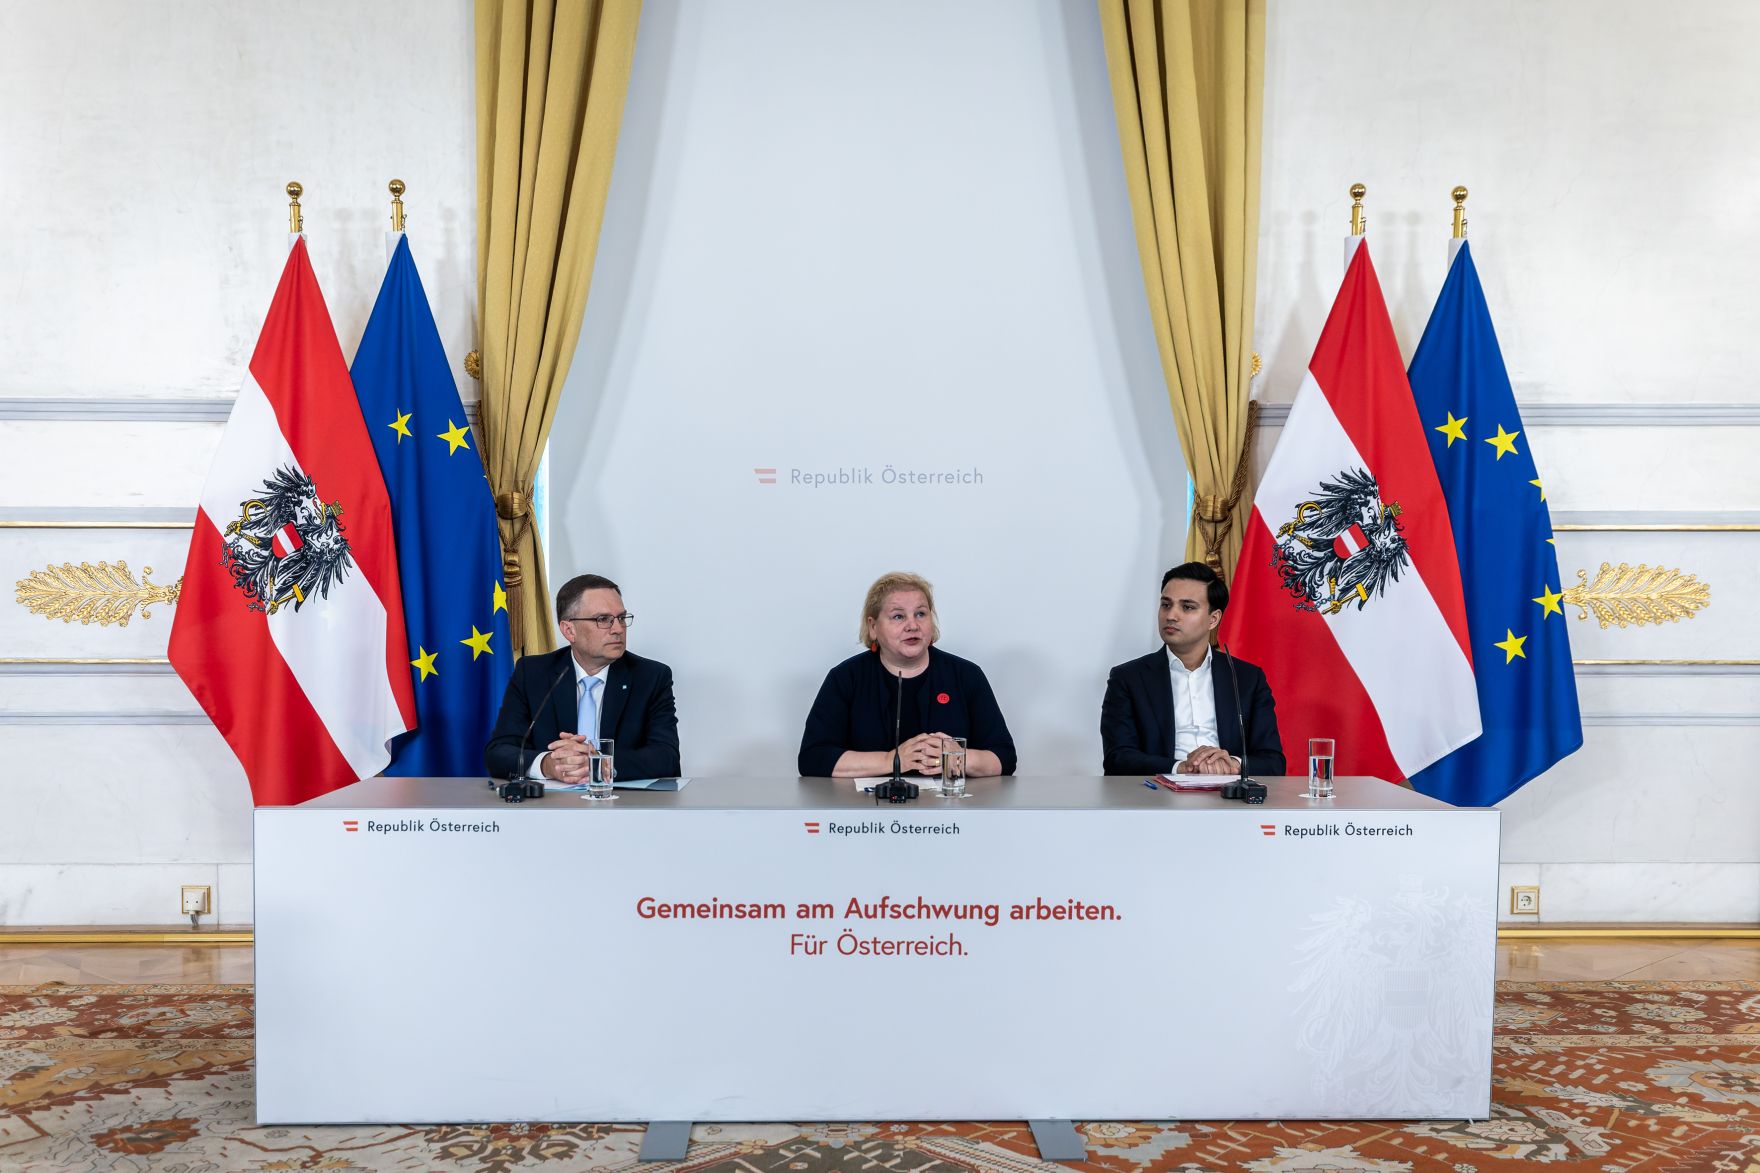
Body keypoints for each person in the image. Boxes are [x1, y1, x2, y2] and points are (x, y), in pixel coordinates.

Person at [799, 572, 1016, 778]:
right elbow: (813, 758)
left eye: (921, 614)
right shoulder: (845, 678)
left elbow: (1004, 757)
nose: (912, 625)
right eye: (898, 616)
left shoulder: (967, 675)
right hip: (866, 812)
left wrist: (959, 757)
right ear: (873, 627)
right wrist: (891, 760)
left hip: (949, 810)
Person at [484, 573, 681, 782]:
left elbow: (667, 758)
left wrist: (600, 762)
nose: (618, 629)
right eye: (603, 619)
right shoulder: (532, 673)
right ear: (569, 630)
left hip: (623, 807)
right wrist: (547, 764)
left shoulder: (651, 677)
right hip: (551, 809)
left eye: (622, 618)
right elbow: (499, 752)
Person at [1100, 561, 1285, 776]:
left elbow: (1273, 762)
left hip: (1230, 797)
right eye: (1166, 605)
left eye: (1187, 607)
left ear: (1213, 619)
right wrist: (1181, 768)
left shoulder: (1247, 679)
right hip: (1158, 797)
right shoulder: (1128, 678)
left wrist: (1232, 764)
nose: (1171, 616)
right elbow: (1117, 758)